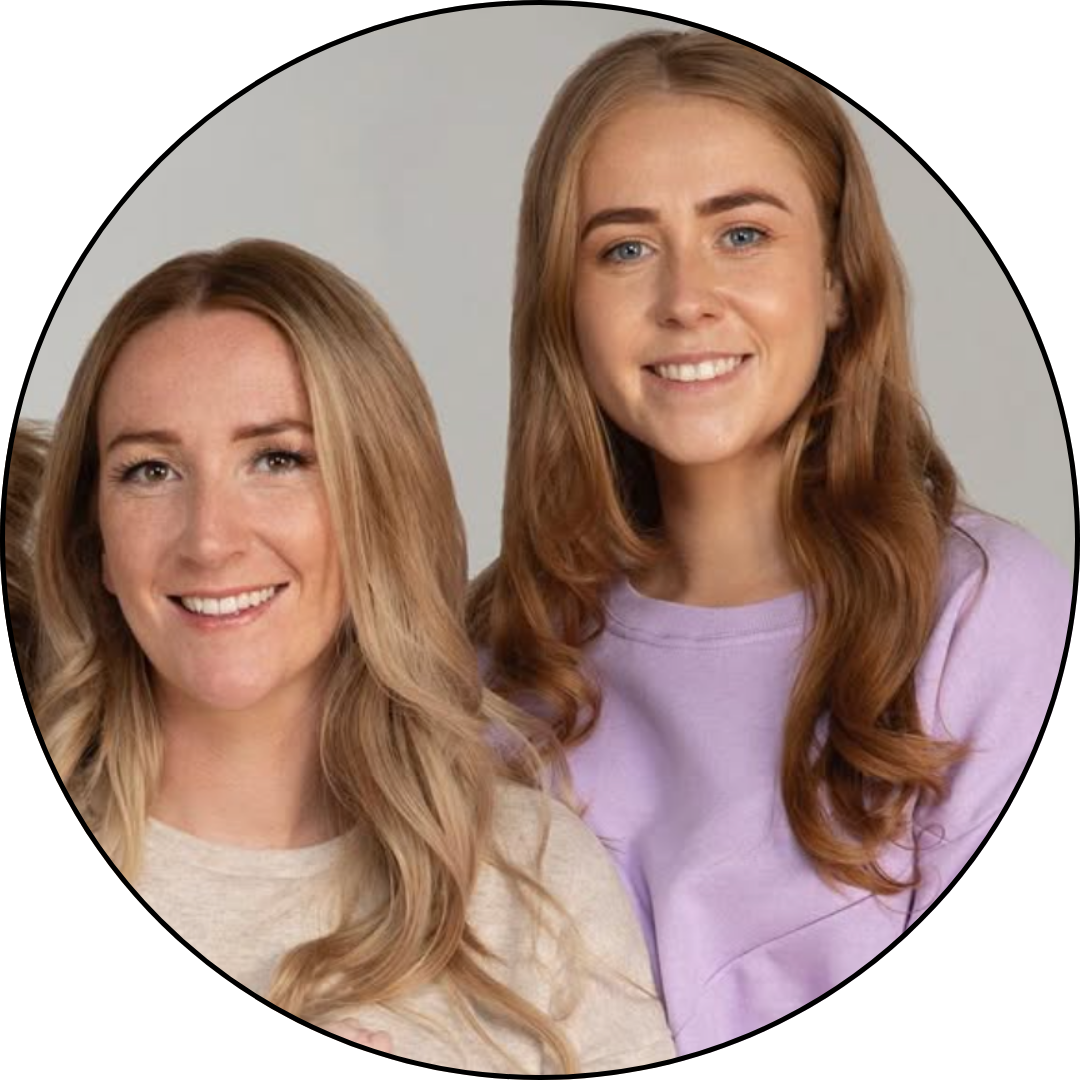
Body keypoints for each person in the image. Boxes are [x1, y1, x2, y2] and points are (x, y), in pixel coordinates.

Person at [467, 29, 1074, 1053]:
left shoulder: (985, 612)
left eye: (741, 233)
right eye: (624, 248)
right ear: (565, 311)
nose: (685, 299)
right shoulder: (496, 645)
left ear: (838, 281)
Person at [6, 238, 676, 1073]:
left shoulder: (532, 878)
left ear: (378, 504)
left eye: (278, 459)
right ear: (94, 540)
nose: (210, 538)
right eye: (149, 470)